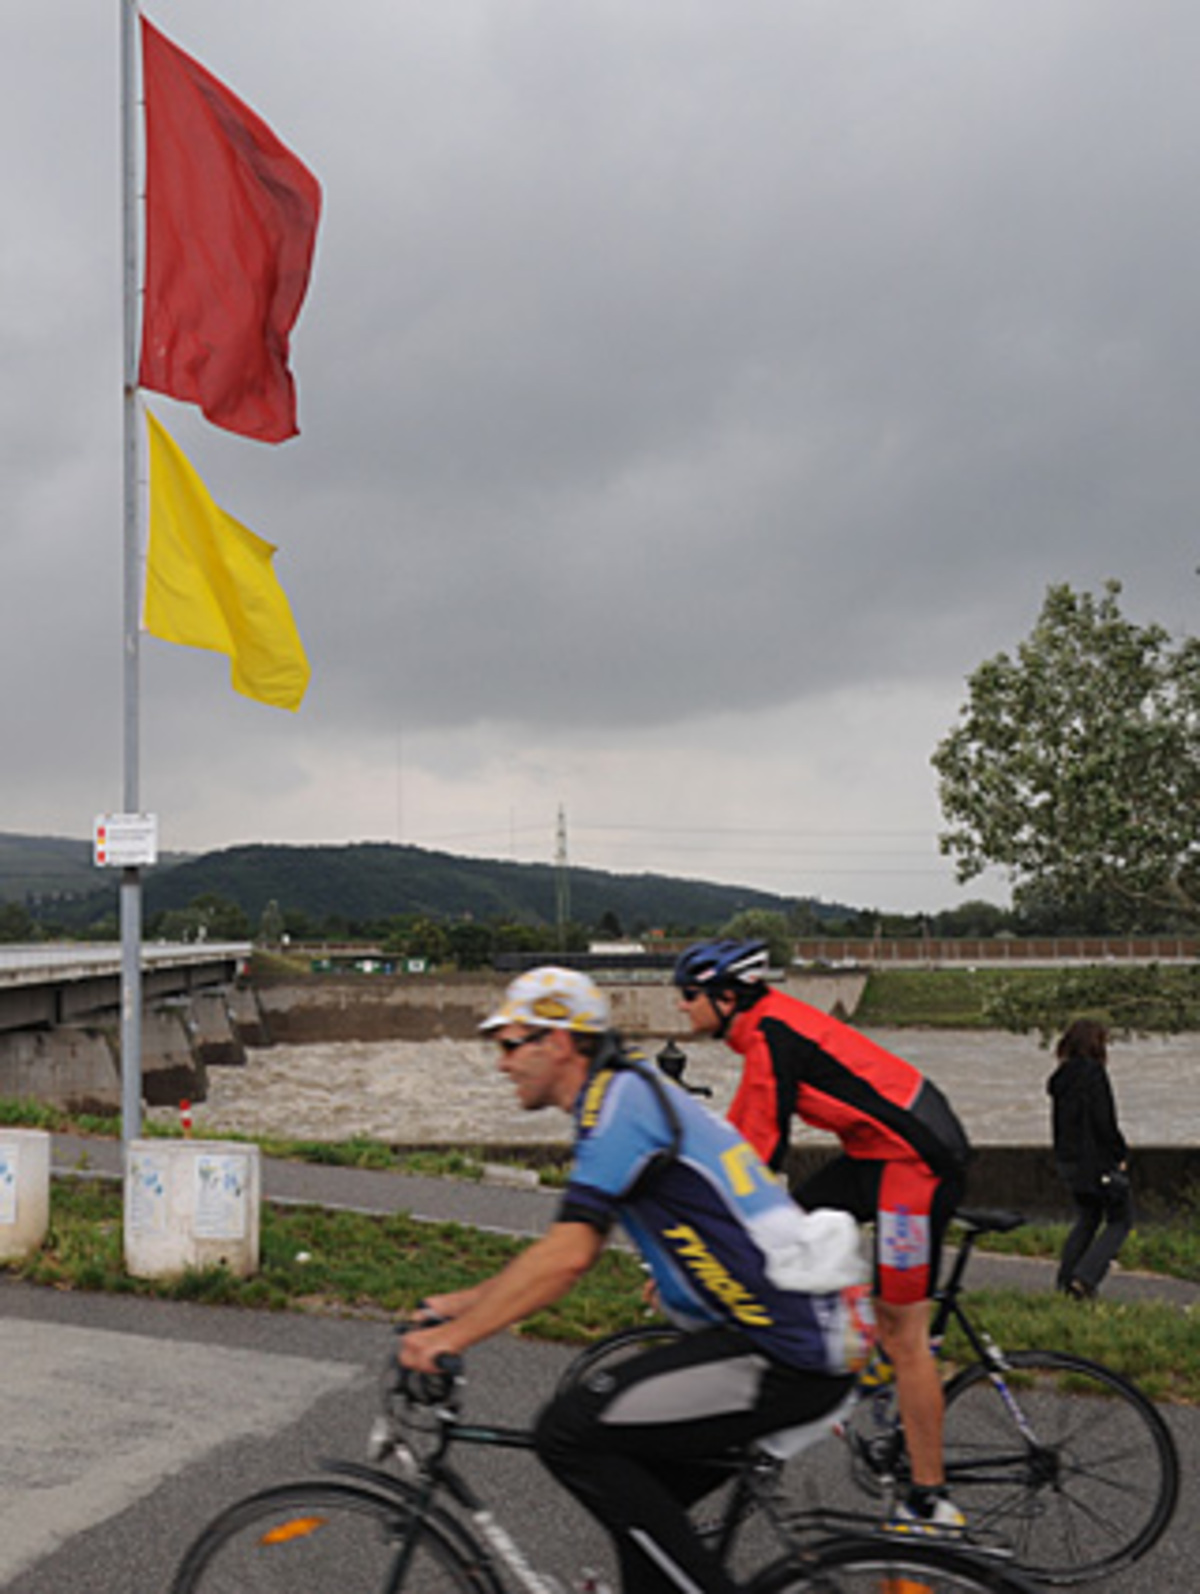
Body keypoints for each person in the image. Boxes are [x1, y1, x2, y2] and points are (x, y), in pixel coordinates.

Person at [401, 965, 874, 1594]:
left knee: (568, 1432)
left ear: (561, 1042)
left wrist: (452, 1337)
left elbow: (567, 1257)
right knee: (639, 1514)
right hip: (787, 1330)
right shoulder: (622, 1094)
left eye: (512, 1043)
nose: (501, 1063)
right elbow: (572, 1249)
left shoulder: (619, 1106)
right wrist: (459, 1305)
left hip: (785, 1344)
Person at [673, 938, 971, 1535]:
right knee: (792, 1233)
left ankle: (931, 1503)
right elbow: (737, 1141)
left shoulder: (769, 1035)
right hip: (872, 1155)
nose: (682, 1009)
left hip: (913, 1163)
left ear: (725, 997)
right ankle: (850, 1352)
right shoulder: (762, 1027)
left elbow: (757, 1153)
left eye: (688, 996)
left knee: (904, 1331)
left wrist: (701, 1242)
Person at [1047, 1017, 1132, 1300]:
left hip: (1068, 1162)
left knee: (1087, 1218)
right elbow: (1104, 1122)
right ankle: (1085, 1278)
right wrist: (1119, 1155)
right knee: (1120, 1221)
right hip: (1095, 1162)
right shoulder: (1094, 1075)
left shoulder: (1061, 1079)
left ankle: (1066, 1282)